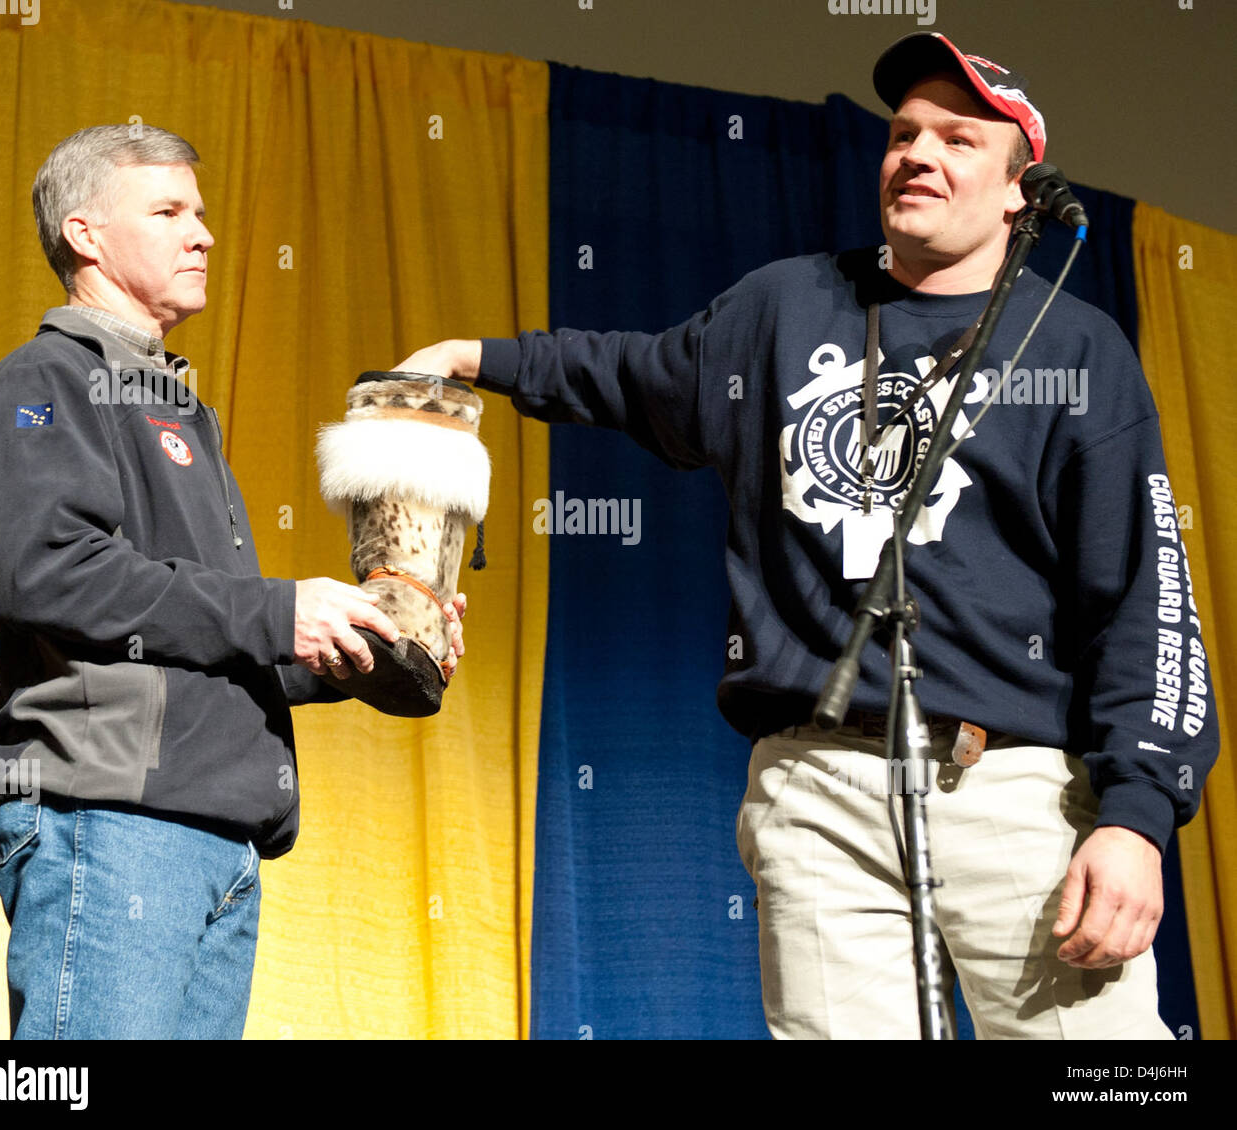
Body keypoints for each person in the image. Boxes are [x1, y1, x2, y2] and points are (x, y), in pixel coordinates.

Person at [393, 33, 1218, 1039]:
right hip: (816, 789)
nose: (917, 152)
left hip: (1018, 797)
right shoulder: (784, 305)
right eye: (904, 133)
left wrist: (1138, 815)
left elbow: (1145, 605)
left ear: (1018, 192)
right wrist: (476, 358)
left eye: (958, 140)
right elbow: (632, 372)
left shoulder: (1077, 346)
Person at [0, 124, 466, 1039]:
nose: (205, 234)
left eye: (202, 212)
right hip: (111, 823)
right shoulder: (43, 380)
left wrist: (359, 641)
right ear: (86, 235)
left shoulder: (182, 409)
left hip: (217, 836)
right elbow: (47, 572)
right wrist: (280, 610)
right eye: (169, 211)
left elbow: (199, 639)